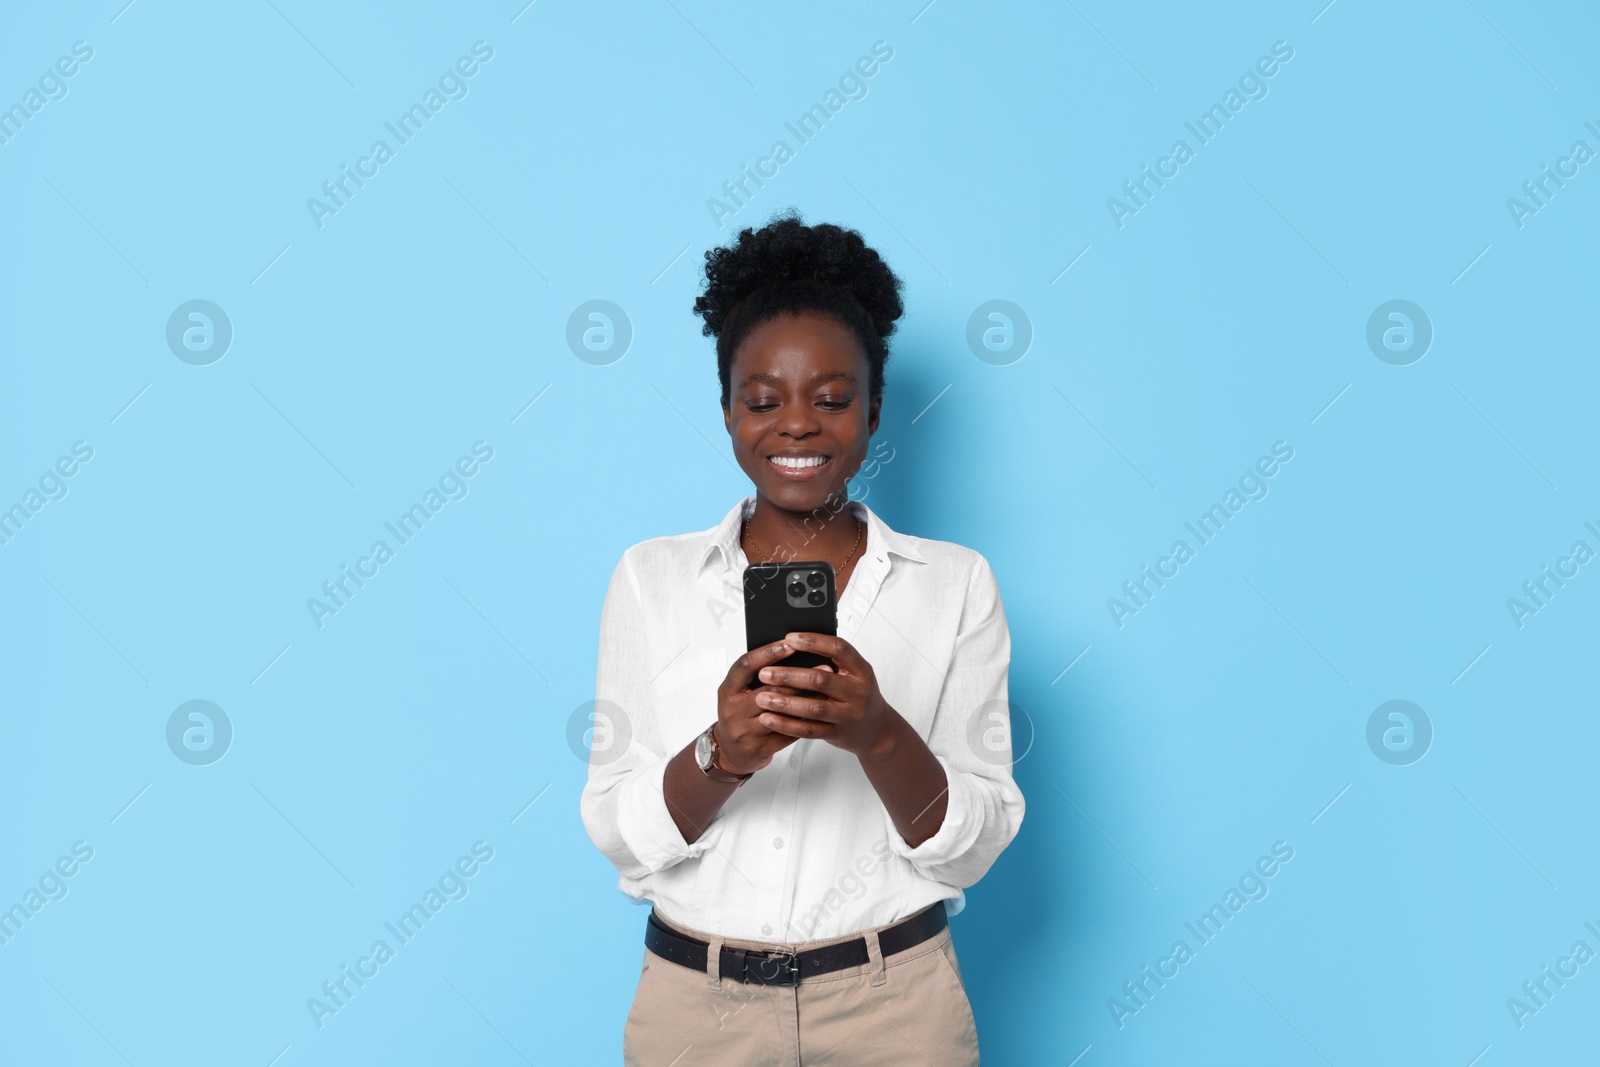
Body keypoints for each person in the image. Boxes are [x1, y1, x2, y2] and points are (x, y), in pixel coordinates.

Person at [581, 211, 1025, 1065]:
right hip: (695, 1013)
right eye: (762, 400)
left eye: (830, 398)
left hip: (896, 1009)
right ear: (725, 409)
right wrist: (723, 753)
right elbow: (618, 832)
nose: (796, 425)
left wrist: (879, 734)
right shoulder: (649, 577)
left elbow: (975, 846)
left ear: (873, 409)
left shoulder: (956, 583)